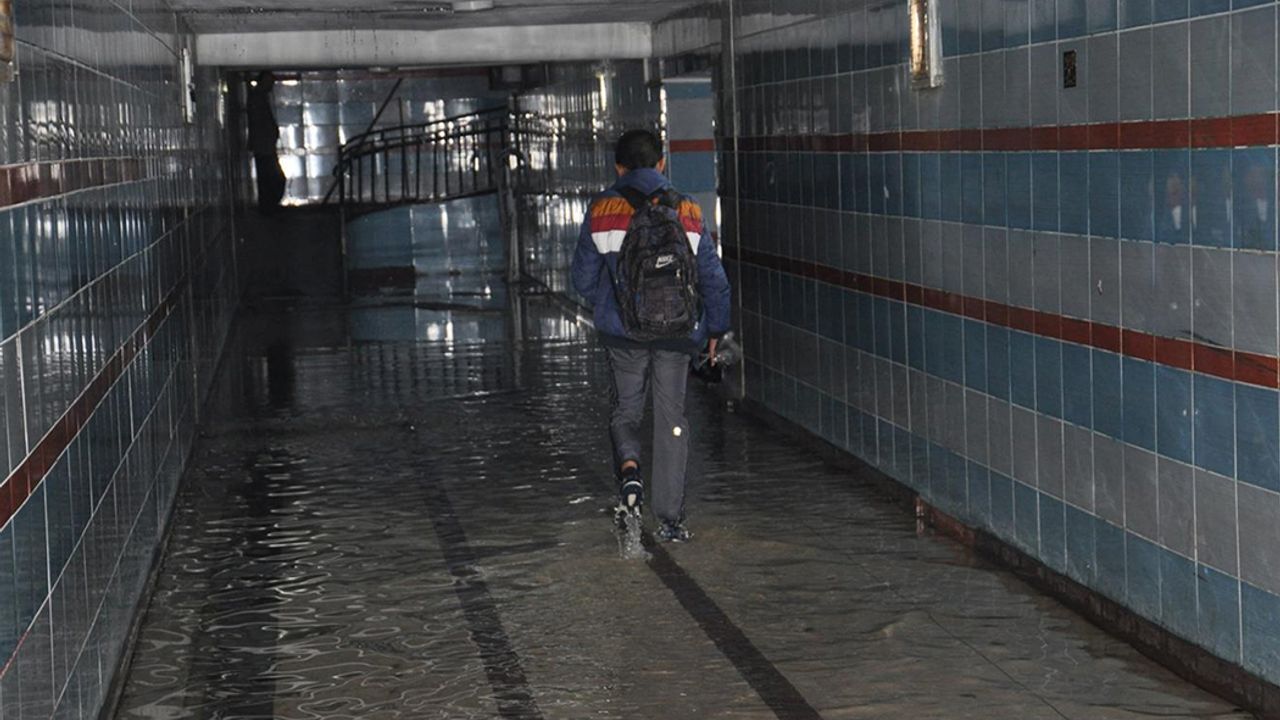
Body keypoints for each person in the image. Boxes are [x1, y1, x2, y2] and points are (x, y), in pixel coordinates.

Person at [571, 129, 732, 543]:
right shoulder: (688, 210)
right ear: (662, 163)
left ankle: (630, 473)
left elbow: (582, 281)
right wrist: (715, 330)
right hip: (677, 333)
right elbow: (713, 279)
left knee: (626, 412)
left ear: (618, 168)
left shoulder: (603, 209)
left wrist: (616, 301)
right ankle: (671, 520)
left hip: (623, 336)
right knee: (671, 419)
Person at [246, 72, 286, 212]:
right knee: (271, 177)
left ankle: (268, 206)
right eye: (270, 82)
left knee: (267, 177)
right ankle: (269, 205)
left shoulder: (258, 97)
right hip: (264, 146)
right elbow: (259, 122)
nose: (271, 86)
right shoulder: (258, 98)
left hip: (264, 145)